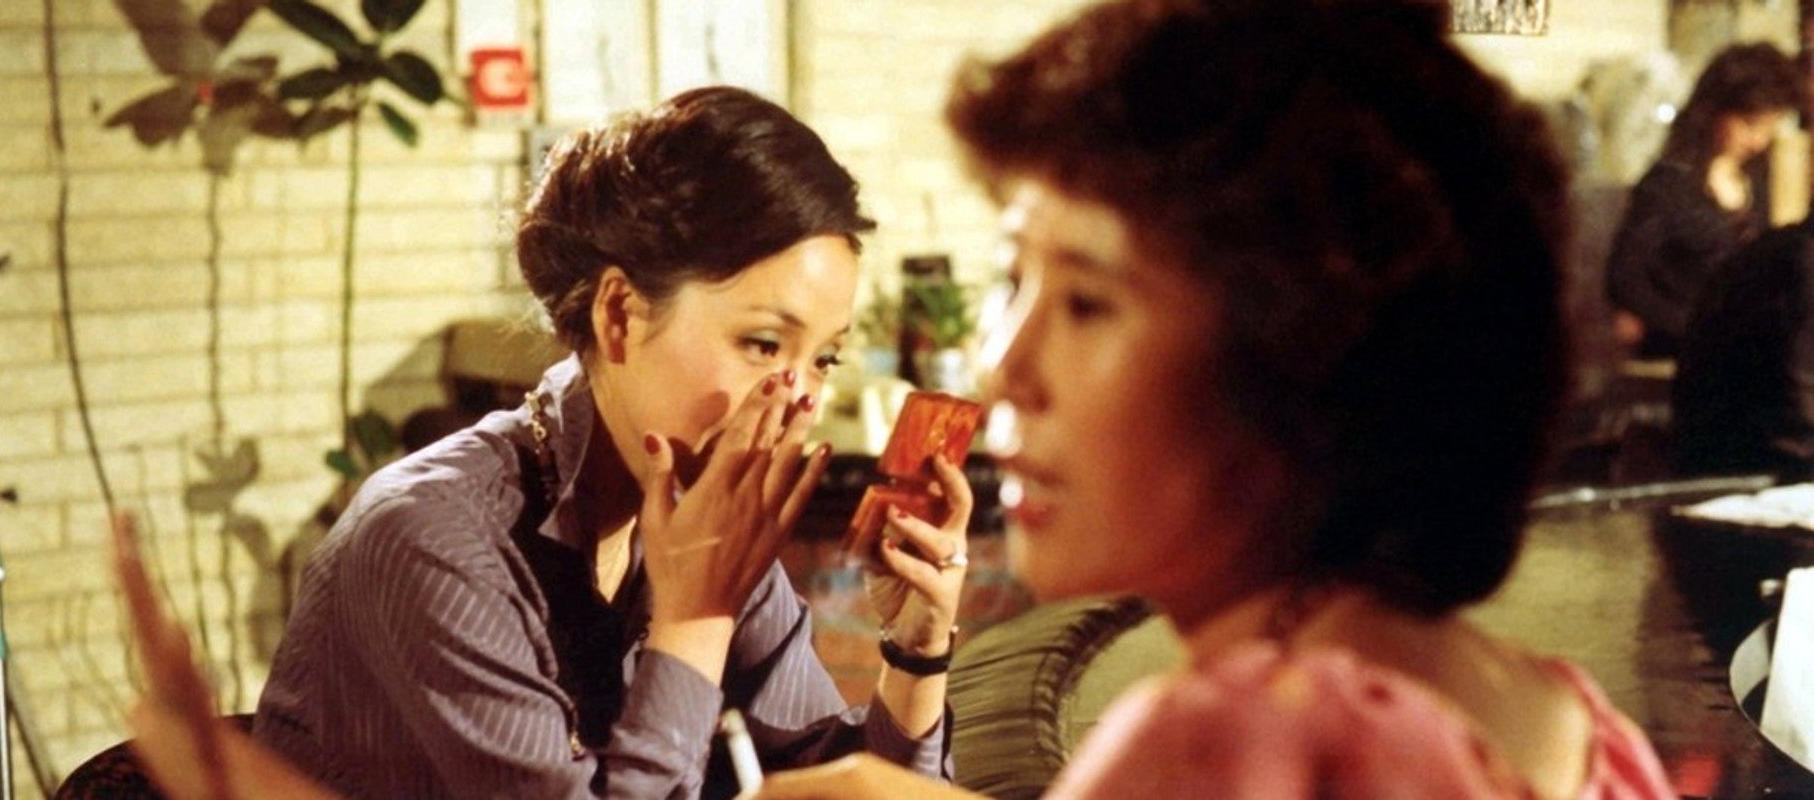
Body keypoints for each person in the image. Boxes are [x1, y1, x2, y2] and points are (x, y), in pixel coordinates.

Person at [751, 1, 1678, 798]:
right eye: (1010, 279)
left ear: (1293, 355)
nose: (1000, 366)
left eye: (1085, 301)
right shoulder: (1578, 723)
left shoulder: (1227, 736)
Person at [249, 86, 972, 799]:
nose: (801, 397)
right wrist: (694, 615)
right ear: (620, 315)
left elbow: (852, 789)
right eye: (762, 343)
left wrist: (914, 652)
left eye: (824, 358)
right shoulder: (430, 539)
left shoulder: (703, 512)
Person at [1605, 42, 1802, 358]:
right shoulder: (1669, 183)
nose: (1758, 140)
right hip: (1682, 357)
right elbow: (1625, 279)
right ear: (1716, 110)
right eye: (1749, 125)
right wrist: (1698, 327)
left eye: (1768, 127)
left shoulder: (1762, 179)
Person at [1671, 217, 1814, 480]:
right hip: (1753, 477)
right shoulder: (1802, 262)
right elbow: (1800, 420)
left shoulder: (1772, 249)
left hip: (1720, 472)